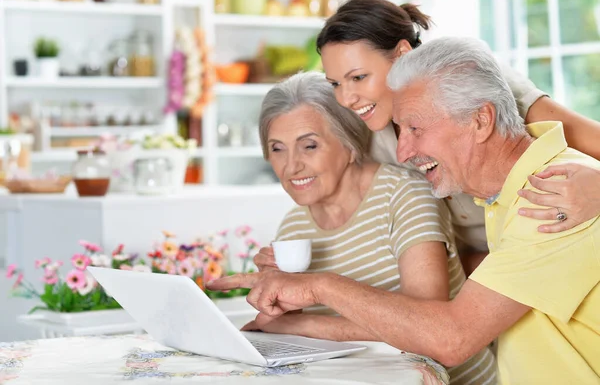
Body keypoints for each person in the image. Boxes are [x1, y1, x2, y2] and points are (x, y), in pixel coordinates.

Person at [207, 37, 600, 385]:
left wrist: (317, 286)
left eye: (415, 128)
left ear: (481, 120)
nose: (403, 152)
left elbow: (452, 339)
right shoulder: (503, 193)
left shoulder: (552, 194)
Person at [315, 0, 600, 272]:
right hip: (486, 271)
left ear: (402, 54)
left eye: (358, 78)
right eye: (335, 84)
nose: (346, 98)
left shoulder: (473, 82)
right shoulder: (368, 141)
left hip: (555, 250)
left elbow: (592, 142)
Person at [252, 71, 495, 385]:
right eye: (277, 149)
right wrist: (276, 303)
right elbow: (296, 332)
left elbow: (426, 326)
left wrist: (301, 326)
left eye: (309, 146)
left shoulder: (404, 195)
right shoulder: (294, 225)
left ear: (349, 141)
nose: (291, 166)